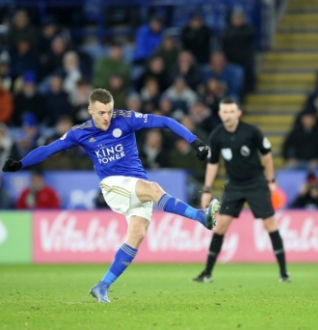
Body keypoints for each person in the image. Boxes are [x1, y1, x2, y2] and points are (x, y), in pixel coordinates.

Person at [2, 88, 219, 303]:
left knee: (137, 234)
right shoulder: (80, 132)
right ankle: (200, 216)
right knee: (153, 189)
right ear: (90, 110)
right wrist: (22, 163)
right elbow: (49, 149)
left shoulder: (125, 119)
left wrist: (195, 141)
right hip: (112, 185)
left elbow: (165, 121)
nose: (107, 117)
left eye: (109, 111)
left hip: (135, 186)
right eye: (101, 113)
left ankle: (102, 286)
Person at [192, 98, 289, 283]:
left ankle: (284, 273)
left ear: (238, 113)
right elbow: (213, 164)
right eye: (224, 112)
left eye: (231, 111)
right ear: (220, 114)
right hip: (234, 185)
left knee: (270, 224)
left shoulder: (251, 131)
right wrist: (206, 190)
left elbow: (267, 156)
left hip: (256, 183)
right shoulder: (217, 135)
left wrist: (271, 180)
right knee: (220, 226)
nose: (227, 115)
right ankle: (207, 273)